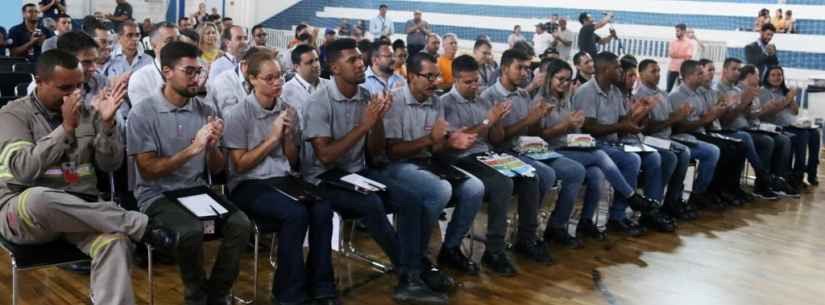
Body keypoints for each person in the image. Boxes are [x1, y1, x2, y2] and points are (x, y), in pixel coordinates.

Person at [0, 48, 176, 305]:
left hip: (80, 210)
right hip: (25, 214)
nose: (74, 94)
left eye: (79, 86)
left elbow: (110, 164)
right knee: (39, 197)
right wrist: (65, 128)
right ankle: (140, 225)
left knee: (115, 242)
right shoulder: (12, 115)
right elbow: (24, 170)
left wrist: (107, 126)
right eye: (64, 88)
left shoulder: (88, 113)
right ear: (39, 81)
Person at [300, 38, 447, 305]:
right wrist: (365, 125)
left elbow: (376, 150)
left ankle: (412, 272)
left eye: (360, 58)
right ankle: (409, 274)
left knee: (411, 200)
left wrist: (377, 121)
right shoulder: (318, 102)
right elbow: (325, 156)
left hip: (358, 172)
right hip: (324, 178)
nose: (361, 64)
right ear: (334, 68)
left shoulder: (366, 95)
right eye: (352, 60)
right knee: (371, 204)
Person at [127, 41, 252, 305]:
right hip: (157, 195)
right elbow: (148, 171)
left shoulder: (205, 110)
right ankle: (196, 295)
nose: (197, 78)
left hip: (196, 190)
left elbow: (218, 169)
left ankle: (216, 294)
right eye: (190, 72)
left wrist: (212, 147)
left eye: (200, 71)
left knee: (241, 224)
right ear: (167, 72)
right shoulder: (143, 112)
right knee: (190, 231)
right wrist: (192, 149)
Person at [222, 51, 339, 305]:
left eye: (279, 77)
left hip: (281, 178)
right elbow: (239, 166)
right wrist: (272, 138)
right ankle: (289, 292)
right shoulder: (238, 114)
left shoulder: (288, 110)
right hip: (248, 184)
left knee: (322, 207)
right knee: (295, 213)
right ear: (252, 79)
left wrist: (287, 139)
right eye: (269, 78)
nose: (277, 83)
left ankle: (322, 285)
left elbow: (292, 159)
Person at [383, 51, 485, 285]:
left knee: (474, 188)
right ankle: (417, 255)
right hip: (397, 165)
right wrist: (431, 141)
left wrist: (451, 142)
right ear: (411, 76)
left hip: (426, 161)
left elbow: (436, 149)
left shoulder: (436, 101)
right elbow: (392, 151)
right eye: (429, 77)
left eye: (437, 76)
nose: (435, 82)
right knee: (440, 190)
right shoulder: (395, 102)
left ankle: (450, 248)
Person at [531, 58, 659, 241]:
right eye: (561, 79)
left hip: (569, 145)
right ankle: (631, 196)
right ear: (549, 78)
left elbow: (576, 129)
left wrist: (575, 126)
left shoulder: (565, 99)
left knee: (597, 173)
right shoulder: (540, 101)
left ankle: (581, 222)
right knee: (598, 156)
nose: (565, 84)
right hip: (550, 150)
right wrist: (567, 125)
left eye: (568, 80)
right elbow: (538, 138)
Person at [440, 54, 542, 276]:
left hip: (486, 154)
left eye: (477, 80)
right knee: (502, 184)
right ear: (455, 80)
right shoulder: (445, 103)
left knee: (529, 175)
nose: (475, 86)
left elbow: (494, 139)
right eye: (468, 82)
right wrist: (487, 121)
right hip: (461, 159)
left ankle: (526, 239)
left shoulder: (483, 100)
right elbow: (455, 141)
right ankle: (493, 250)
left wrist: (496, 121)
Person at [482, 48, 578, 263]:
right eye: (520, 68)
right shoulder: (490, 96)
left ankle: (532, 231)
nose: (526, 73)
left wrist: (539, 118)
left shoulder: (523, 94)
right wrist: (530, 120)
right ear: (505, 69)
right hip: (501, 152)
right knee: (540, 174)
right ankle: (526, 235)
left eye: (528, 68)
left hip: (525, 148)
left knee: (561, 171)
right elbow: (496, 140)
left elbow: (531, 133)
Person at [572, 51, 674, 235]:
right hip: (592, 144)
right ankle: (619, 214)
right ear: (604, 69)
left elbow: (624, 122)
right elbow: (590, 129)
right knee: (632, 160)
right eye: (617, 67)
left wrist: (640, 112)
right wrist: (624, 124)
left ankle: (650, 210)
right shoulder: (586, 92)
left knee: (654, 157)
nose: (620, 70)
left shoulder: (614, 91)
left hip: (614, 143)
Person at [639, 59, 720, 220]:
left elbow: (670, 120)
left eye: (658, 71)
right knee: (678, 154)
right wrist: (678, 117)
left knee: (685, 151)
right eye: (653, 71)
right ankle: (655, 205)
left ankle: (672, 200)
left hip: (666, 137)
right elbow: (648, 128)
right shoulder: (641, 95)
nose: (657, 75)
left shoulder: (661, 93)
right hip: (650, 139)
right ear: (640, 74)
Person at [715, 58, 782, 199]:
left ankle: (776, 178)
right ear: (724, 70)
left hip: (743, 127)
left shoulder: (736, 89)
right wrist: (744, 102)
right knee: (751, 139)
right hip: (726, 130)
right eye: (734, 69)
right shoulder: (718, 89)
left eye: (739, 69)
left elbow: (746, 116)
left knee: (776, 139)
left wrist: (749, 103)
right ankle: (762, 177)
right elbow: (725, 120)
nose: (737, 72)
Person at [738, 64, 799, 197]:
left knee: (785, 140)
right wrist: (767, 108)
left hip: (757, 127)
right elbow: (748, 115)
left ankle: (779, 180)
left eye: (779, 75)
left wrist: (790, 100)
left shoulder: (754, 90)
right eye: (757, 75)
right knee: (768, 141)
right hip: (748, 129)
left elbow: (755, 114)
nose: (759, 78)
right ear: (749, 76)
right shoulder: (748, 91)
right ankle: (762, 183)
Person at [759, 65, 815, 189]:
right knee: (801, 135)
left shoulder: (784, 91)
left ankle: (802, 174)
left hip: (791, 124)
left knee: (813, 133)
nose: (776, 77)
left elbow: (795, 112)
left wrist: (791, 99)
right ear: (767, 77)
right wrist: (788, 98)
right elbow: (772, 110)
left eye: (779, 75)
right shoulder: (763, 91)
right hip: (776, 125)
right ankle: (789, 176)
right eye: (773, 75)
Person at [207, 47, 270, 117]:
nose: (260, 73)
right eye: (257, 69)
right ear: (244, 64)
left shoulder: (260, 80)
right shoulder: (224, 81)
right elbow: (230, 116)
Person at [128, 22, 179, 108]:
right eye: (169, 41)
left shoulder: (189, 72)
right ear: (153, 44)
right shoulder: (140, 78)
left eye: (178, 40)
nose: (177, 45)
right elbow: (145, 117)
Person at [281, 44, 330, 119]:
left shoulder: (330, 85)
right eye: (310, 62)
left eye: (316, 60)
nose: (316, 65)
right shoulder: (286, 92)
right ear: (296, 67)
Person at [667, 24, 693, 93]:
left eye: (678, 31)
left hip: (682, 70)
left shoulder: (689, 43)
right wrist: (683, 55)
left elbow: (688, 56)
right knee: (668, 89)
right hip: (672, 69)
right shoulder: (673, 42)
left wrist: (676, 55)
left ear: (684, 31)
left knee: (681, 91)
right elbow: (671, 54)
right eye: (676, 31)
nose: (676, 33)